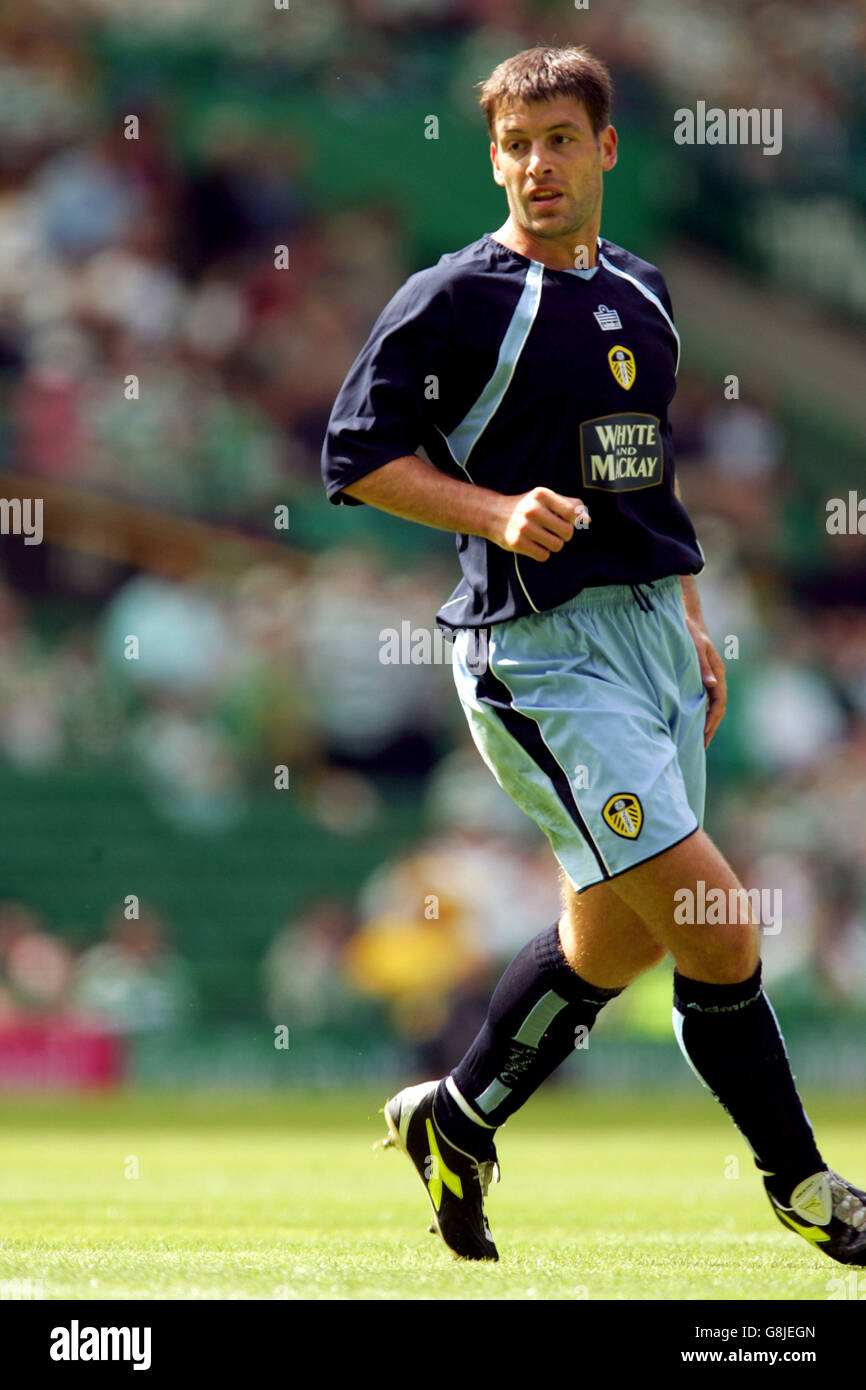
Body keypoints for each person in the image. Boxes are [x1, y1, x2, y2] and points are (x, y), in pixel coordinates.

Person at [321, 45, 866, 1265]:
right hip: (538, 655)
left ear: (605, 147)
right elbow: (353, 455)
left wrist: (681, 614)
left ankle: (455, 1118)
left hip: (649, 644)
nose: (535, 165)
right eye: (514, 145)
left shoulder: (645, 290)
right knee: (719, 929)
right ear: (492, 157)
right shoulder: (452, 297)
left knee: (610, 940)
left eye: (558, 139)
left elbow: (639, 477)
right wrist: (492, 511)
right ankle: (801, 1185)